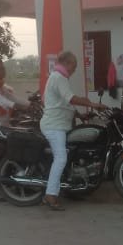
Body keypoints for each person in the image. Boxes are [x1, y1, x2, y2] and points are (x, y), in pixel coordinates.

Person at [40, 51, 106, 211]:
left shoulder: (60, 78)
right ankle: (50, 195)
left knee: (72, 154)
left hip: (60, 125)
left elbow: (66, 104)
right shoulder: (58, 77)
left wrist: (80, 115)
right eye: (74, 66)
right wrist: (92, 104)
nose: (74, 70)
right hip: (54, 126)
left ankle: (72, 186)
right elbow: (71, 99)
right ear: (67, 63)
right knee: (61, 158)